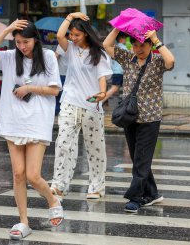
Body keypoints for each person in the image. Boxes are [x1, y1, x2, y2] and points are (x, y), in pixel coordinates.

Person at [0, 19, 64, 239]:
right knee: (18, 174)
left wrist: (29, 87)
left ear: (35, 40)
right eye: (18, 42)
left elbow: (55, 90)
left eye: (26, 41)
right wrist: (7, 31)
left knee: (33, 175)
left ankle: (52, 199)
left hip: (37, 120)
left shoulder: (47, 57)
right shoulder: (11, 57)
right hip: (13, 121)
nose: (22, 46)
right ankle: (23, 221)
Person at [103, 28, 175, 213]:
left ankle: (136, 197)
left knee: (141, 159)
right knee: (138, 158)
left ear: (150, 45)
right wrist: (118, 27)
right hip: (130, 117)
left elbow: (171, 61)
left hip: (150, 118)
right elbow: (106, 45)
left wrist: (157, 40)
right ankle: (152, 193)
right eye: (134, 45)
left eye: (142, 45)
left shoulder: (158, 61)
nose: (138, 49)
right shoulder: (128, 58)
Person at [50, 12, 112, 200]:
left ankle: (96, 187)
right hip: (69, 101)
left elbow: (102, 77)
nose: (73, 38)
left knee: (95, 148)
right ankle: (59, 185)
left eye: (76, 35)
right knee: (63, 144)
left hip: (91, 104)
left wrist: (102, 94)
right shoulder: (69, 49)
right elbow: (59, 36)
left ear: (85, 34)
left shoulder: (98, 53)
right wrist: (70, 16)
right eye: (72, 34)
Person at [102, 32, 127, 103]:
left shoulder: (115, 47)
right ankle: (101, 101)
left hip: (116, 71)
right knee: (114, 89)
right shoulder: (123, 48)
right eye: (125, 38)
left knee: (119, 89)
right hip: (119, 72)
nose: (125, 40)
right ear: (121, 39)